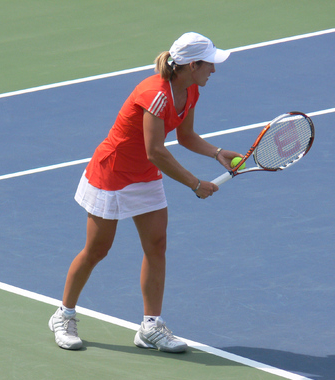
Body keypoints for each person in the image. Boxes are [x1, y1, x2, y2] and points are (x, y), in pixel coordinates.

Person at [48, 32, 241, 352]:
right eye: (210, 64)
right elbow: (155, 151)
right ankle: (63, 314)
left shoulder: (190, 90)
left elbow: (187, 136)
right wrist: (195, 183)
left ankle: (150, 326)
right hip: (112, 173)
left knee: (157, 245)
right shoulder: (156, 94)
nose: (214, 70)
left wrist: (217, 152)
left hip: (143, 174)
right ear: (192, 66)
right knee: (97, 249)